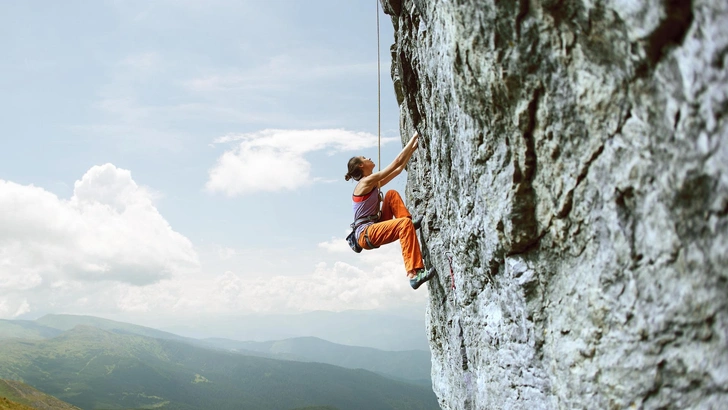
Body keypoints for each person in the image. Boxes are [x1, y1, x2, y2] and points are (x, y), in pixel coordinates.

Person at [344, 131, 436, 290]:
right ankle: (413, 274)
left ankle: (409, 223)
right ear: (361, 165)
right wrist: (414, 136)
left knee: (391, 195)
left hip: (372, 226)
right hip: (366, 234)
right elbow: (395, 163)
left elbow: (398, 170)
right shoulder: (366, 182)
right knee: (403, 225)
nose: (369, 159)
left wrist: (412, 149)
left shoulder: (371, 183)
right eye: (365, 158)